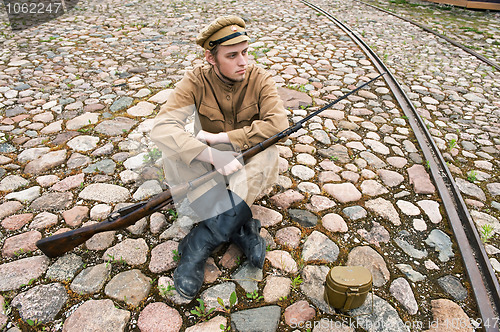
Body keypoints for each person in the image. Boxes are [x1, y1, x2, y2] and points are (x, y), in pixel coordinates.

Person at [150, 15, 288, 300]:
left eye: (246, 52)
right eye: (232, 55)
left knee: (269, 151)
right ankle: (241, 228)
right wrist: (210, 152)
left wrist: (221, 139)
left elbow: (278, 126)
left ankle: (199, 243)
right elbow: (162, 127)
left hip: (243, 165)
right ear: (210, 57)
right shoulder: (196, 81)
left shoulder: (259, 77)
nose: (243, 62)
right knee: (172, 152)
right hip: (208, 167)